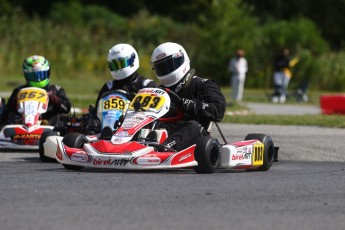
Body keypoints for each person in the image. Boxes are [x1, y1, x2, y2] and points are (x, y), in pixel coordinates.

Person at [151, 42, 226, 151]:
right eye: (161, 67)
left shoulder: (204, 85)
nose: (166, 70)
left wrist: (192, 105)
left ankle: (163, 149)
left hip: (195, 137)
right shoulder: (159, 91)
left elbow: (218, 110)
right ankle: (125, 146)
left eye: (169, 65)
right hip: (165, 130)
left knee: (193, 126)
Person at [87, 43, 157, 133]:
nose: (118, 69)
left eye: (121, 64)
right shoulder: (109, 87)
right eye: (114, 66)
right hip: (109, 128)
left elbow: (152, 113)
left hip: (136, 129)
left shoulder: (147, 85)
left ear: (132, 60)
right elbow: (97, 112)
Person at [0, 55, 71, 127]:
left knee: (56, 119)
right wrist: (17, 100)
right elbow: (7, 112)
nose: (38, 79)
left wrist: (53, 99)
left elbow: (66, 108)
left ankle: (43, 124)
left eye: (41, 74)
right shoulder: (19, 90)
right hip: (22, 125)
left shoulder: (56, 90)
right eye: (34, 75)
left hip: (49, 127)